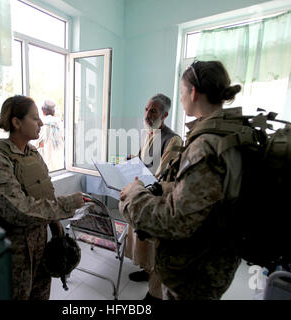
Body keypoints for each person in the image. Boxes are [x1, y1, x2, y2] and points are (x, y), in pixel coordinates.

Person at [119, 60, 243, 300]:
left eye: (182, 91)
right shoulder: (228, 132)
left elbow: (175, 220)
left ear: (193, 92)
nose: (147, 114)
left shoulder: (203, 145)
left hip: (196, 268)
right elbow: (192, 188)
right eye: (146, 109)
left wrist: (134, 193)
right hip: (213, 257)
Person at [0, 95, 85, 300]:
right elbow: (18, 210)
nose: (41, 122)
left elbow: (45, 193)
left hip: (41, 247)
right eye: (35, 118)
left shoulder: (32, 154)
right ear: (16, 122)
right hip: (13, 254)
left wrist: (57, 229)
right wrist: (68, 204)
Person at [125, 93, 182, 301]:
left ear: (164, 115)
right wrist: (132, 161)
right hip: (142, 195)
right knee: (142, 241)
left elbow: (164, 175)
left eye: (153, 111)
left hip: (157, 200)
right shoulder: (149, 133)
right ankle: (146, 270)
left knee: (157, 247)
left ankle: (155, 294)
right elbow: (144, 160)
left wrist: (139, 183)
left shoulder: (173, 139)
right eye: (147, 109)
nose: (148, 114)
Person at [34, 100, 64, 172]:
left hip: (45, 159)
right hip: (59, 160)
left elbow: (37, 143)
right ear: (53, 112)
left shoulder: (42, 124)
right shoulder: (59, 123)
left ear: (43, 111)